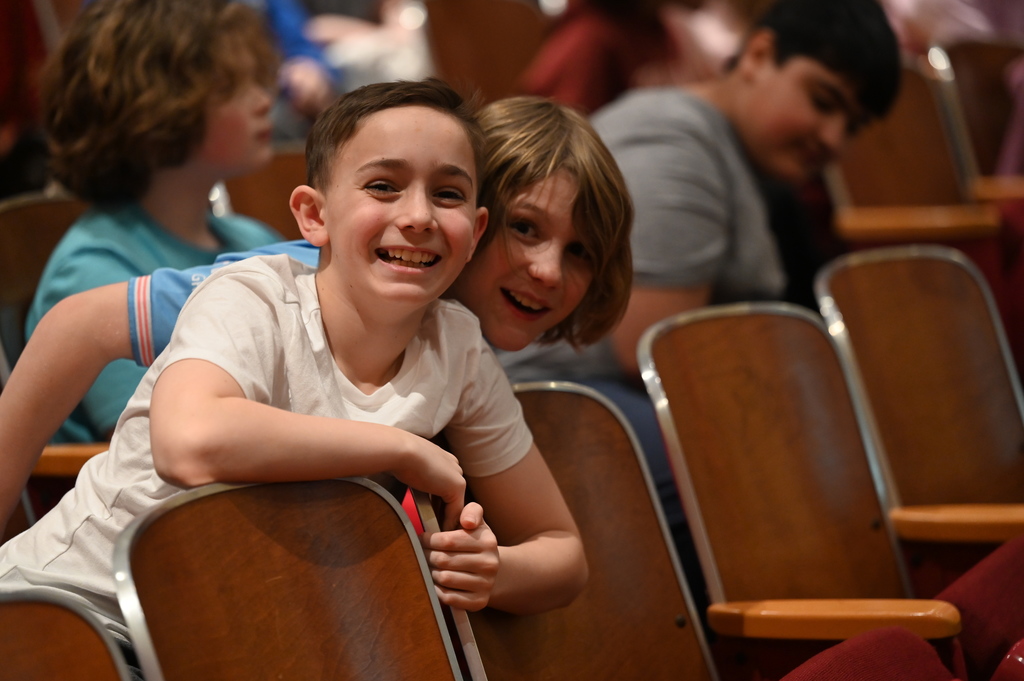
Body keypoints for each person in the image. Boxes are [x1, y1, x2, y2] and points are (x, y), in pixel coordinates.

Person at [0, 83, 632, 673]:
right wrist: (404, 450)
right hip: (85, 617)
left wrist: (491, 571)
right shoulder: (265, 288)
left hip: (223, 631)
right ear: (316, 215)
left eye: (447, 195)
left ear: (473, 222)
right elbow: (103, 348)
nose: (548, 270)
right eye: (528, 229)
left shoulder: (459, 347)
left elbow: (559, 552)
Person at [501, 0, 902, 571]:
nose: (833, 138)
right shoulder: (678, 146)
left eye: (853, 125)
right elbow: (649, 346)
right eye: (823, 101)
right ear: (759, 55)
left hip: (625, 393)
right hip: (568, 399)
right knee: (751, 467)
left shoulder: (732, 150)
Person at [28, 0, 284, 445]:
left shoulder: (254, 238)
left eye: (257, 78)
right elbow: (148, 445)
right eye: (229, 86)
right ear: (152, 108)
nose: (264, 101)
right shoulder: (91, 270)